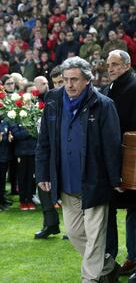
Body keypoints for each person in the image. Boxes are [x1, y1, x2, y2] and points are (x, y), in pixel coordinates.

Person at [36, 56, 122, 283]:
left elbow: (112, 146)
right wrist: (43, 172)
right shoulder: (53, 99)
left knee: (95, 237)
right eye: (66, 80)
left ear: (87, 80)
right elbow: (44, 139)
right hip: (65, 181)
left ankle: (89, 279)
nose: (70, 85)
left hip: (95, 181)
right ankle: (108, 265)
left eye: (75, 79)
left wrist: (115, 179)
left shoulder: (103, 104)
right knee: (75, 234)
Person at [104, 50, 136, 282]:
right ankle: (113, 262)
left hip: (132, 163)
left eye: (114, 64)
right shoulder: (109, 89)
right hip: (112, 162)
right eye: (108, 65)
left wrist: (134, 167)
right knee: (111, 213)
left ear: (127, 65)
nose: (110, 68)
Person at [34, 70, 65, 239]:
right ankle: (50, 223)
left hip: (68, 154)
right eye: (57, 82)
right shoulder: (51, 99)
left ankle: (74, 229)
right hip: (51, 152)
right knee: (43, 187)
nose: (59, 86)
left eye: (62, 81)